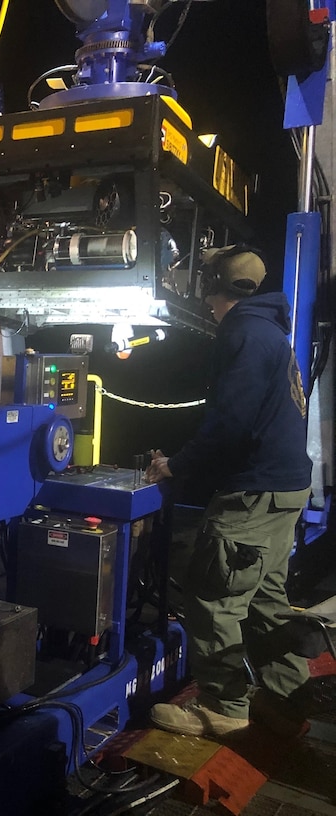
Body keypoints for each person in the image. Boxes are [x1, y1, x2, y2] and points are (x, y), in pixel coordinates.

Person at [146, 245, 313, 740]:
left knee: (214, 598)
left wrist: (174, 465)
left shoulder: (241, 333)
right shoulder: (270, 331)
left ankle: (224, 708)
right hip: (285, 490)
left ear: (212, 283)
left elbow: (230, 424)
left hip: (255, 494)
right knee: (264, 597)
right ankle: (286, 696)